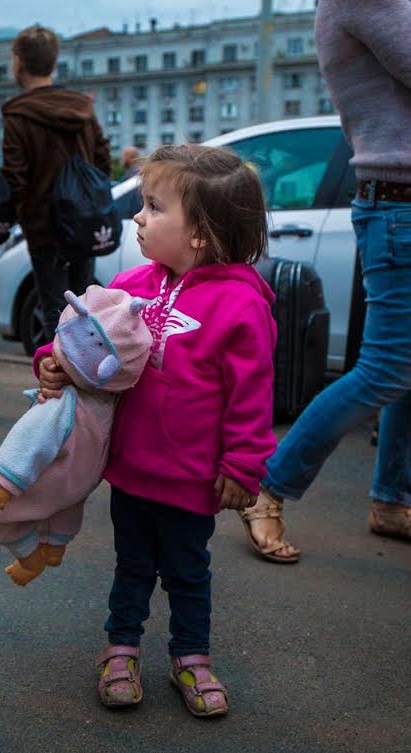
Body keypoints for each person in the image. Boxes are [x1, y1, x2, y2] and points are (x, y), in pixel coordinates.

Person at [34, 144, 277, 717]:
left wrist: (244, 467)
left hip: (191, 477)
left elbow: (251, 399)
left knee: (188, 572)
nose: (138, 217)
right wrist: (51, 360)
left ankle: (191, 657)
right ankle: (120, 650)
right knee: (132, 566)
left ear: (199, 233)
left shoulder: (241, 305)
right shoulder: (131, 283)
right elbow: (83, 339)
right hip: (130, 470)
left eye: (154, 206)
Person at [236, 0, 411, 559]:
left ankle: (393, 497)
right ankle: (267, 487)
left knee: (403, 367)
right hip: (401, 202)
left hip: (398, 201)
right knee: (388, 367)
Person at [0, 286, 152, 586]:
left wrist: (4, 478)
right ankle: (54, 545)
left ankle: (30, 557)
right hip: (84, 477)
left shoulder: (64, 403)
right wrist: (48, 360)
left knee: (7, 518)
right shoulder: (109, 396)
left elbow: (30, 437)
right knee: (66, 508)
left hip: (57, 471)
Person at [2, 25, 112, 342]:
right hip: (85, 223)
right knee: (83, 311)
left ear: (18, 61)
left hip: (43, 229)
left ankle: (59, 374)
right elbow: (103, 161)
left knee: (55, 313)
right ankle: (84, 373)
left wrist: (20, 215)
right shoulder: (83, 108)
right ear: (53, 62)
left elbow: (14, 177)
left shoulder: (18, 114)